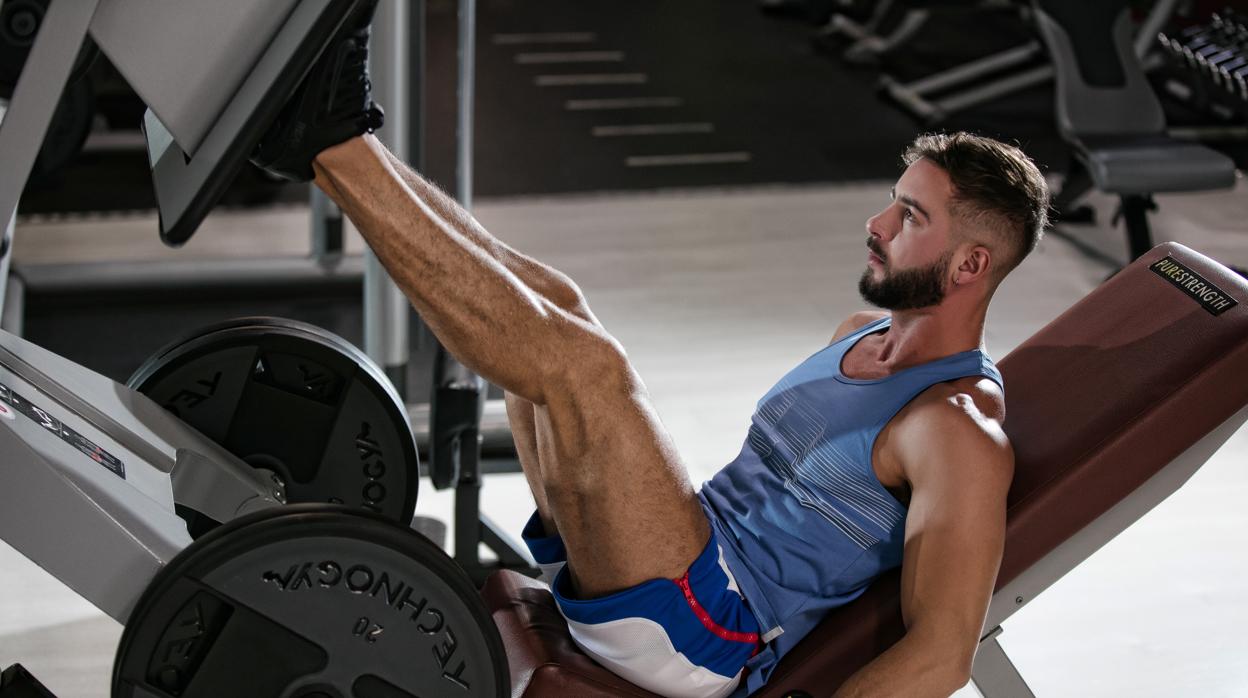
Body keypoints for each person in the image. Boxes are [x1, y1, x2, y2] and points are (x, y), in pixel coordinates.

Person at [251, 4, 1049, 696]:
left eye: (909, 217)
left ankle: (329, 141)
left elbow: (942, 656)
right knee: (560, 306)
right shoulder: (858, 335)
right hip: (675, 570)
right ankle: (340, 142)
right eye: (891, 203)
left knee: (588, 370)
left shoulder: (956, 429)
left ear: (971, 264)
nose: (876, 225)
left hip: (708, 636)